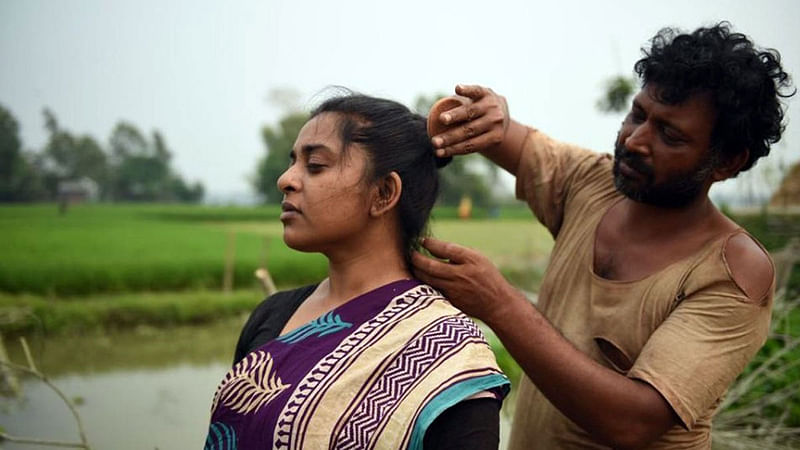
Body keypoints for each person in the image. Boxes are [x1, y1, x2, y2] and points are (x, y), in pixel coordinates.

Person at [412, 22, 794, 449]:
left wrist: (499, 304)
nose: (635, 140)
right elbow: (504, 134)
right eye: (638, 114)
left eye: (670, 135)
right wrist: (486, 112)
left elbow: (632, 423)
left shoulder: (733, 272)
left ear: (727, 162)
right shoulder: (591, 182)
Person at [204, 93, 510, 450]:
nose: (286, 179)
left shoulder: (450, 352)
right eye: (293, 163)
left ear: (383, 193)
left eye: (315, 165)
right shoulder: (271, 316)